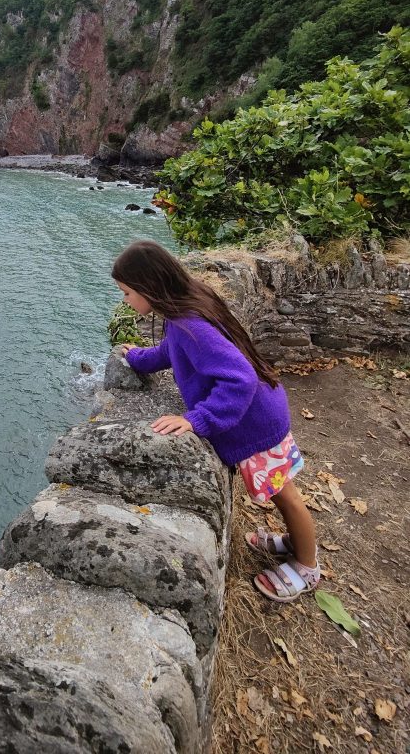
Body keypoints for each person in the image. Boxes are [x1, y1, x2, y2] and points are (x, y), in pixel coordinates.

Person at [113, 239, 320, 602]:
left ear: (148, 288)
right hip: (262, 412)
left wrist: (199, 419)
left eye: (128, 293)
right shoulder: (185, 307)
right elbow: (175, 351)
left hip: (256, 424)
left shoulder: (189, 324)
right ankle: (292, 542)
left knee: (286, 496)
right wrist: (142, 359)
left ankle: (307, 566)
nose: (126, 300)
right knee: (280, 492)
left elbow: (239, 377)